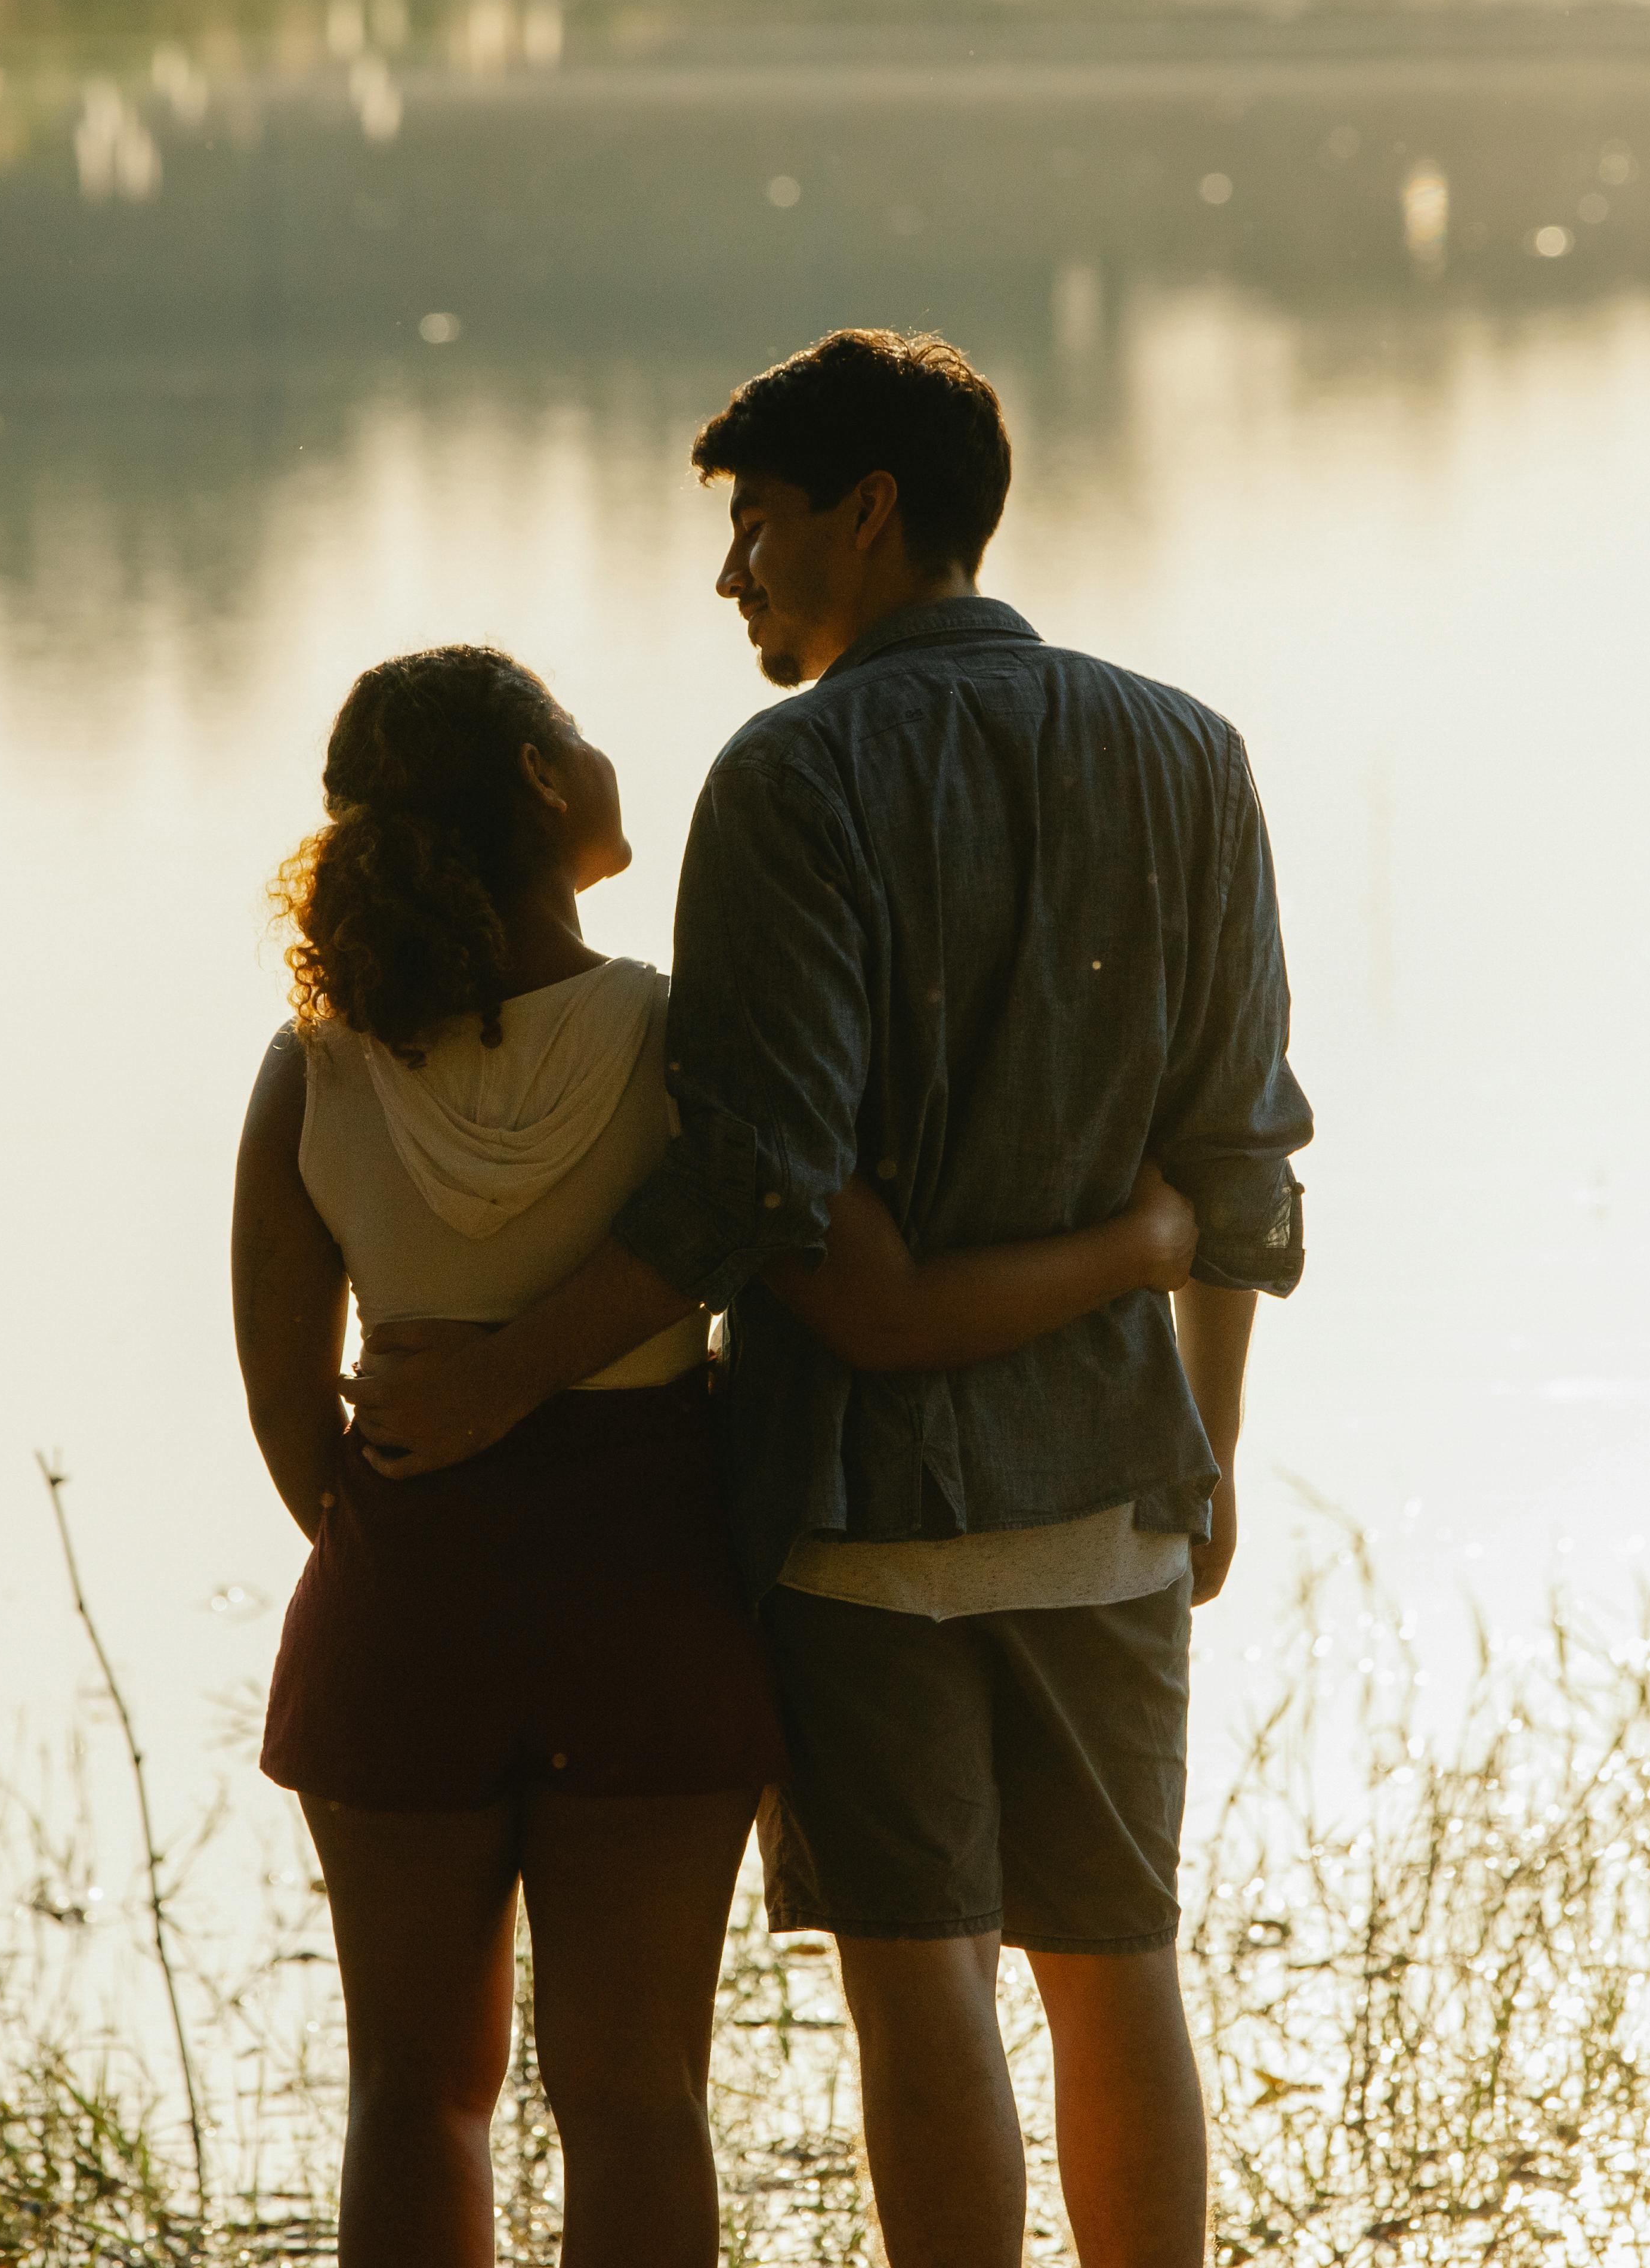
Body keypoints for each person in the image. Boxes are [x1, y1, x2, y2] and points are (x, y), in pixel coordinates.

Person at [346, 332, 1312, 2268]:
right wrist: (1207, 1447)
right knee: (1123, 1974)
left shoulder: (792, 779)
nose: (735, 579)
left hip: (858, 1518)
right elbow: (1240, 1170)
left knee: (924, 1982)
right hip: (1117, 1484)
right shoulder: (1193, 749)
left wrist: (506, 1378)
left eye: (760, 527)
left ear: (872, 514)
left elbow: (760, 1190)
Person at [230, 640, 1210, 2268]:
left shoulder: (313, 1066)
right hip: (648, 1606)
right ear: (547, 783)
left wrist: (402, 1532)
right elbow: (773, 1240)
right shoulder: (678, 1043)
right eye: (582, 735)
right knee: (633, 2099)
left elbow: (284, 1407)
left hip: (403, 1594)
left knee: (412, 2096)